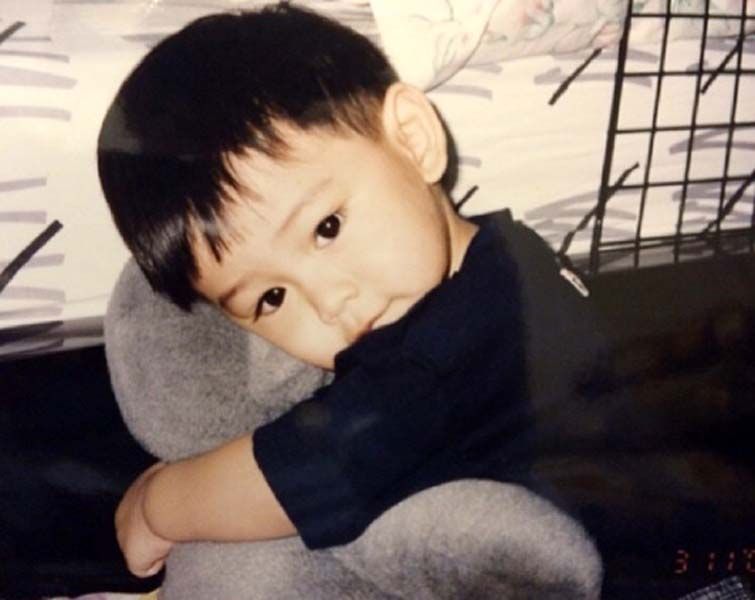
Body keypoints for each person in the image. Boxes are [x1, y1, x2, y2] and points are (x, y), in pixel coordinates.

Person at [98, 2, 604, 580]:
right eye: (271, 298)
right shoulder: (501, 256)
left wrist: (158, 502)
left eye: (327, 228)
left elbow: (304, 472)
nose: (329, 302)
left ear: (413, 139)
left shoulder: (450, 352)